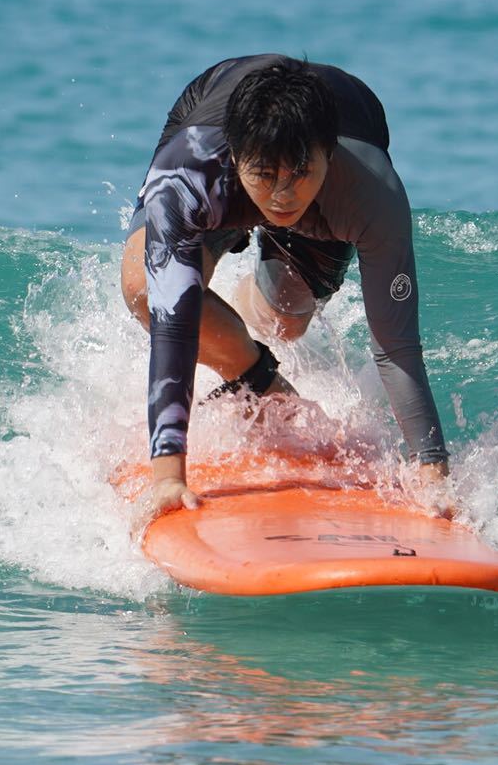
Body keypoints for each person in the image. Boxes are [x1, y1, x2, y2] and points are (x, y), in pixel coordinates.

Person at [120, 54, 451, 521]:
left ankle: (245, 307)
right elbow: (174, 322)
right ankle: (253, 373)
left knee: (286, 321)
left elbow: (396, 346)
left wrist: (433, 474)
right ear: (236, 157)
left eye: (300, 174)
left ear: (328, 155)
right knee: (146, 286)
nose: (283, 196)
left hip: (349, 123)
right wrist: (169, 477)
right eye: (265, 176)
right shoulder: (188, 175)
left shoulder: (371, 194)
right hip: (213, 120)